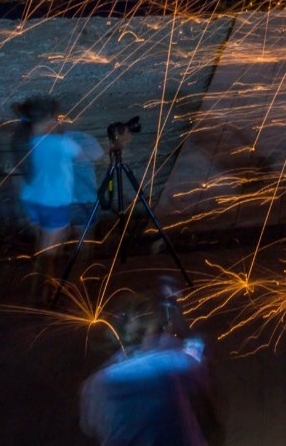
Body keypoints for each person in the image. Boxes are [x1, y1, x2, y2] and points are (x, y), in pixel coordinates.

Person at [80, 285, 220, 445]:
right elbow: (197, 354)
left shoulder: (97, 384)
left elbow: (90, 426)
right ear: (152, 332)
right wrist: (178, 316)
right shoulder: (174, 364)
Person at [16, 95, 102, 287]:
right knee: (49, 252)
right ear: (50, 119)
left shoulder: (27, 142)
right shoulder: (63, 143)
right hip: (54, 202)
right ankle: (46, 291)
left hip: (30, 199)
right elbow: (85, 158)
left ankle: (44, 284)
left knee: (42, 245)